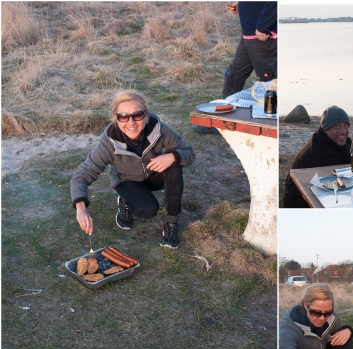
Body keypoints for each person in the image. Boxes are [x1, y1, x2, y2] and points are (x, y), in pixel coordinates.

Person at [70, 90, 195, 249]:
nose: (131, 122)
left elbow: (188, 152)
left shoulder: (158, 128)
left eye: (137, 115)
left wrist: (172, 157)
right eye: (123, 116)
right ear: (115, 117)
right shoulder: (108, 142)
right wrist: (81, 209)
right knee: (148, 211)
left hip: (152, 173)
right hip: (126, 180)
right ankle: (125, 200)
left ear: (145, 114)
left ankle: (171, 224)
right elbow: (81, 176)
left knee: (175, 166)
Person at [282, 106, 353, 208]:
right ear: (326, 128)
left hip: (322, 192)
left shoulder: (340, 142)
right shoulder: (320, 151)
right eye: (337, 126)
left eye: (345, 125)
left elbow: (347, 167)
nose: (343, 131)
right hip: (301, 204)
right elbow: (342, 184)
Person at [222, 1, 277, 98]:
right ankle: (229, 108)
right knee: (233, 76)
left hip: (263, 36)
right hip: (247, 36)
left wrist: (262, 26)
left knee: (270, 84)